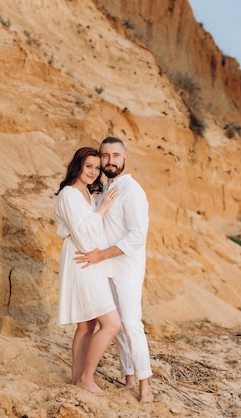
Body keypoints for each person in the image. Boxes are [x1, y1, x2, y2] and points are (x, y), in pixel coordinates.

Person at [74, 136, 153, 403]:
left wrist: (101, 255)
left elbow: (137, 236)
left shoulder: (133, 191)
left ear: (125, 159)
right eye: (105, 156)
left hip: (127, 268)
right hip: (104, 268)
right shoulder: (105, 189)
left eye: (115, 156)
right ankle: (129, 377)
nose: (110, 161)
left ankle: (145, 387)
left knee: (131, 324)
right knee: (115, 325)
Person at [54, 146, 121, 394]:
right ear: (78, 166)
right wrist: (102, 210)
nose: (93, 172)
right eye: (88, 166)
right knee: (112, 324)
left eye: (96, 167)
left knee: (87, 325)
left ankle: (76, 380)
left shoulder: (86, 194)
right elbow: (82, 236)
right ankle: (86, 379)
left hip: (91, 261)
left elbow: (88, 230)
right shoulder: (69, 195)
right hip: (81, 261)